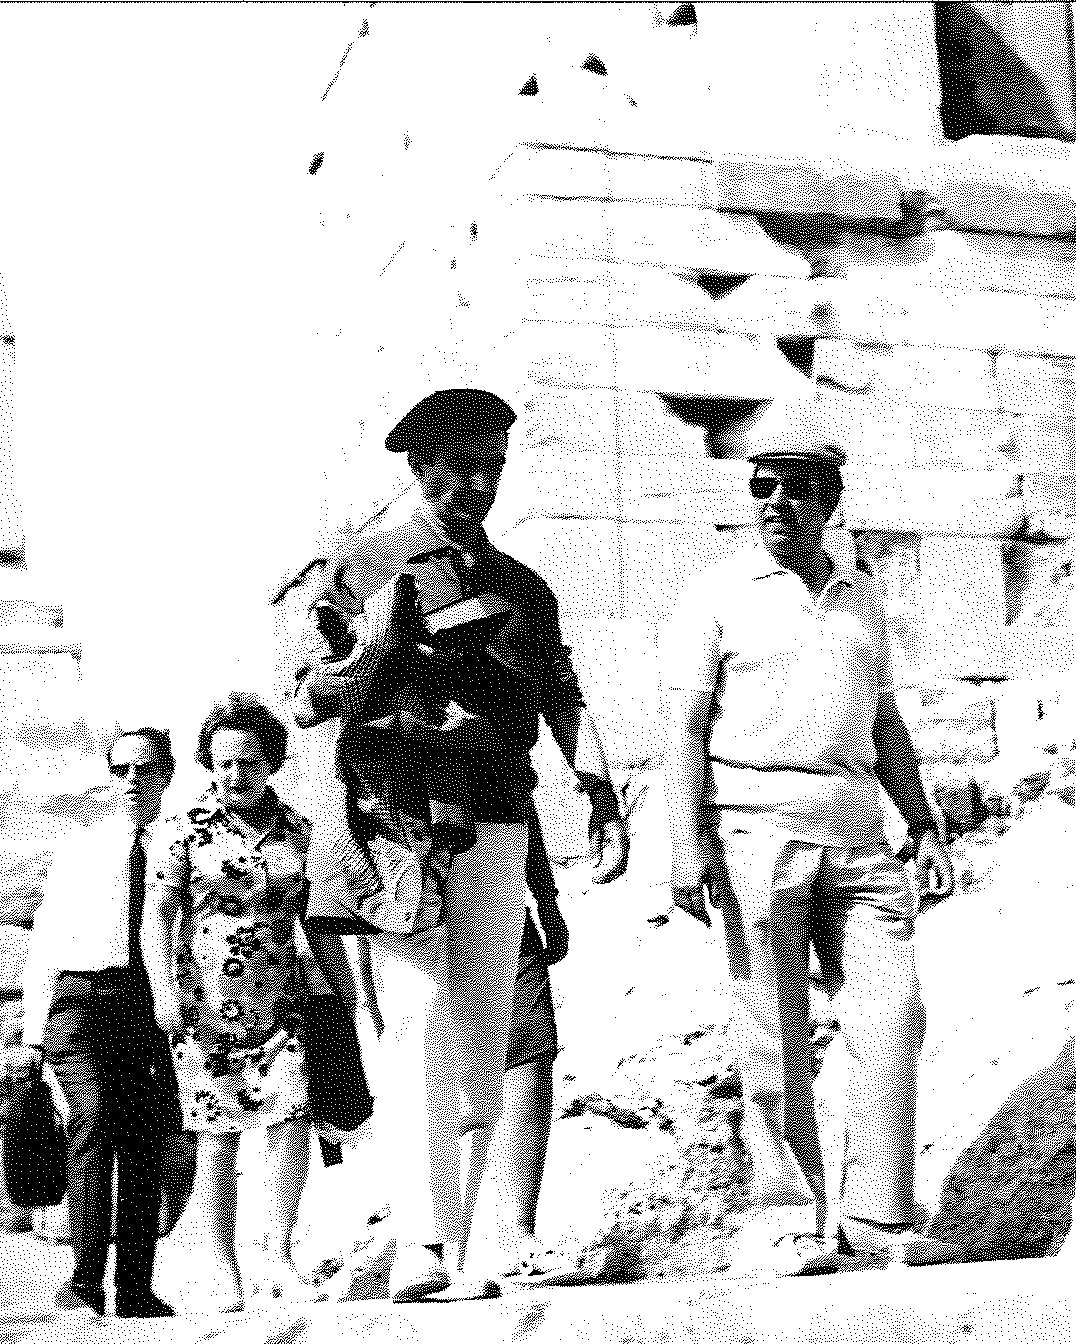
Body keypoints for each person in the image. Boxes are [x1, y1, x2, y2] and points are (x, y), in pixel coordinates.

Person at [290, 387, 630, 1302]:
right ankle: (421, 1245)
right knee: (416, 1023)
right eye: (461, 467)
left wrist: (599, 791)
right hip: (395, 812)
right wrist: (373, 650)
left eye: (493, 468)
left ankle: (470, 1243)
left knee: (483, 1040)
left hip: (498, 811)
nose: (479, 485)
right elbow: (306, 699)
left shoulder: (523, 586)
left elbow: (561, 696)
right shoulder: (361, 565)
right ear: (419, 467)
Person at [662, 439, 964, 1277]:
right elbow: (684, 726)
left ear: (831, 501)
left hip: (860, 837)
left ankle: (876, 1215)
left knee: (893, 1016)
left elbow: (886, 722)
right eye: (763, 486)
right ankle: (790, 1218)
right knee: (774, 1032)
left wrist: (924, 823)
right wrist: (686, 844)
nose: (777, 502)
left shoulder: (862, 595)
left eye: (797, 489)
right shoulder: (715, 593)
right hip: (755, 833)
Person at [140, 694, 354, 1311]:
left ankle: (276, 1255)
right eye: (225, 761)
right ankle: (220, 1261)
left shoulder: (299, 829)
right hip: (206, 997)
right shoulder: (182, 829)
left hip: (286, 991)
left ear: (273, 761)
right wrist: (169, 994)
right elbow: (159, 917)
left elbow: (319, 916)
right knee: (217, 1134)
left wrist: (340, 988)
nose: (236, 775)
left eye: (251, 761)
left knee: (291, 1120)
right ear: (209, 760)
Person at [14, 728, 179, 1319]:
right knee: (94, 1123)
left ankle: (135, 1287)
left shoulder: (182, 843)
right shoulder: (80, 848)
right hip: (80, 1000)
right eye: (122, 769)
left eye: (146, 768)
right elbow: (47, 937)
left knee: (145, 1138)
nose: (133, 781)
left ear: (166, 774)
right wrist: (33, 1031)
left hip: (151, 999)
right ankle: (82, 1281)